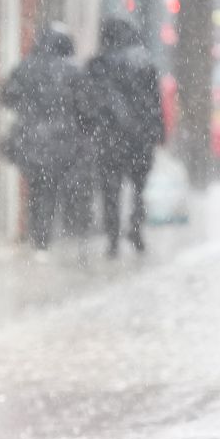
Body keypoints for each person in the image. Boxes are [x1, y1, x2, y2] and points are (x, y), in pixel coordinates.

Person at [0, 24, 84, 257]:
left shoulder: (27, 67)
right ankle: (43, 236)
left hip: (30, 137)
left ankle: (38, 232)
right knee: (51, 186)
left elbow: (7, 95)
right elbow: (84, 106)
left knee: (36, 185)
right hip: (61, 139)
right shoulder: (73, 71)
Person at [86, 17, 165, 258]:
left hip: (109, 138)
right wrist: (158, 131)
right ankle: (136, 227)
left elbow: (88, 101)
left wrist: (89, 129)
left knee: (110, 189)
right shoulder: (144, 62)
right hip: (139, 137)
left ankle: (112, 239)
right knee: (139, 187)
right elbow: (155, 101)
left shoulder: (98, 64)